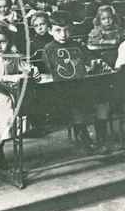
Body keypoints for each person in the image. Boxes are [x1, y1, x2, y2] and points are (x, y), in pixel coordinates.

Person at [0, 21, 40, 170]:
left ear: (8, 41)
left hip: (6, 97)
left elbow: (24, 66)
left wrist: (32, 70)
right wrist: (9, 78)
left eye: (2, 42)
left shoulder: (11, 56)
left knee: (10, 122)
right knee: (1, 124)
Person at [44, 11, 113, 152]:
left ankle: (101, 140)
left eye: (67, 30)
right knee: (76, 105)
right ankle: (86, 140)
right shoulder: (49, 49)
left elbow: (88, 57)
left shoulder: (77, 44)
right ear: (50, 31)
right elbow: (56, 69)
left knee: (103, 103)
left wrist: (95, 62)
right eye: (58, 30)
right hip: (63, 90)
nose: (63, 35)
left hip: (82, 86)